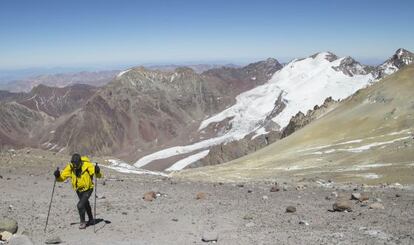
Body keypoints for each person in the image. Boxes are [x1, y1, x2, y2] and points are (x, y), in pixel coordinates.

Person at [54, 153, 103, 229]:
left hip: (88, 189)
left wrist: (97, 171)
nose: (76, 166)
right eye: (74, 165)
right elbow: (62, 177)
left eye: (77, 164)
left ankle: (82, 223)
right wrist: (57, 176)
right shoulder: (71, 167)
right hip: (78, 190)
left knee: (80, 205)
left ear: (80, 162)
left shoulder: (87, 165)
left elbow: (98, 176)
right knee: (85, 204)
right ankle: (91, 219)